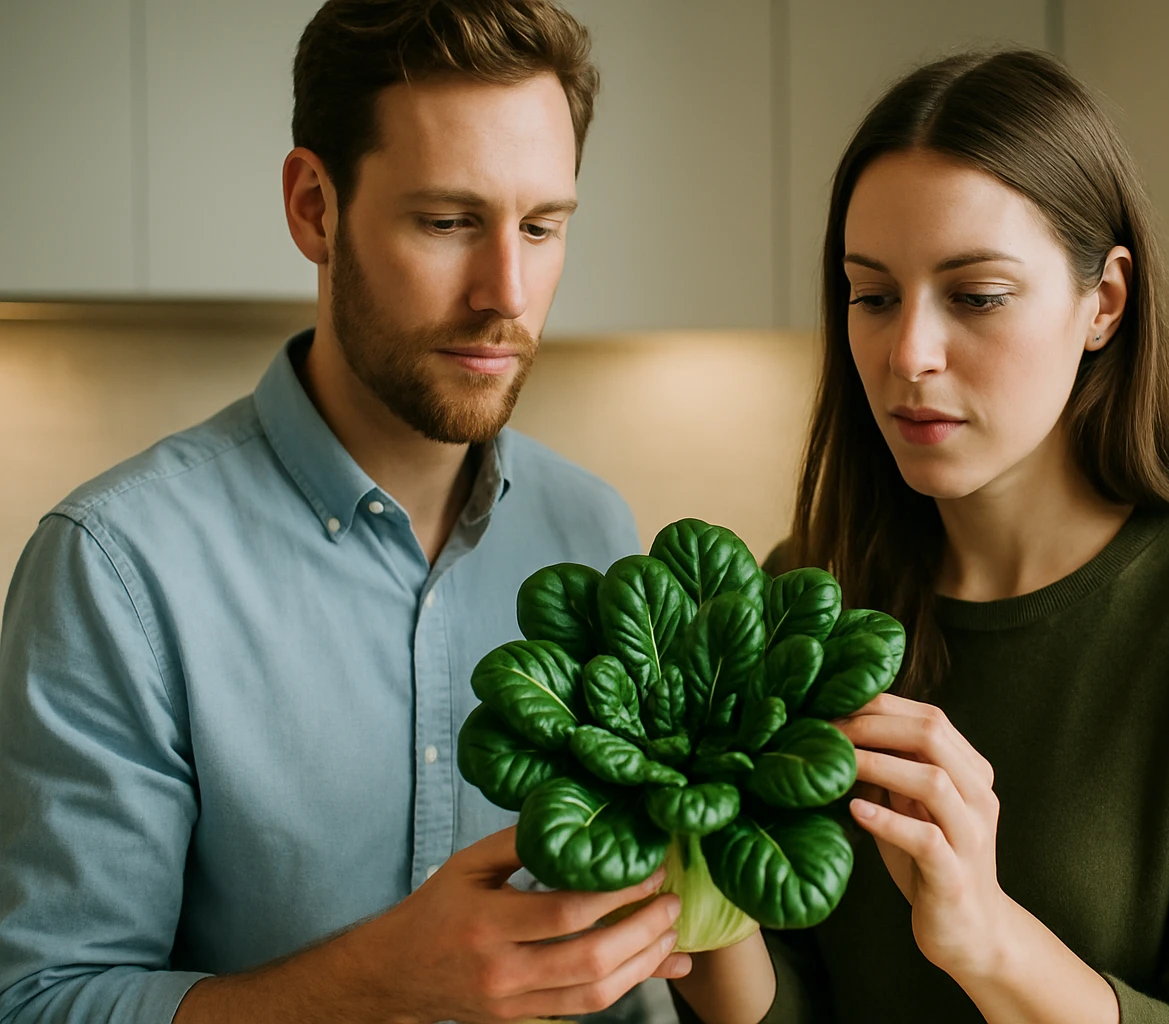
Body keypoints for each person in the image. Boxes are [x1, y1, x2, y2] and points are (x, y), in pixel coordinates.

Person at [0, 2, 692, 1022]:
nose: (508, 291)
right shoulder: (116, 567)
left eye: (543, 227)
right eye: (449, 221)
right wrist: (377, 983)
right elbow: (44, 1002)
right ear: (314, 207)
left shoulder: (595, 531)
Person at [670, 50, 1169, 1024]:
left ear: (1104, 302)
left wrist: (985, 936)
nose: (909, 353)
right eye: (872, 295)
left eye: (977, 295)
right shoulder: (808, 589)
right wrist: (694, 896)